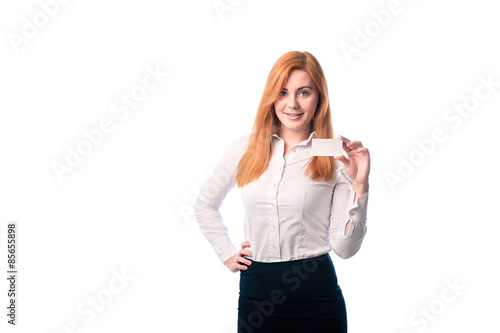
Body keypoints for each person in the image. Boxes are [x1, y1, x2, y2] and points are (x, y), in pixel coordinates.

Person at [194, 50, 370, 333]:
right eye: (283, 92)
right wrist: (226, 253)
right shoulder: (246, 148)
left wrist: (360, 187)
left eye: (304, 93)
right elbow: (204, 204)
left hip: (317, 295)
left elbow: (345, 249)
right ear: (271, 97)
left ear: (319, 99)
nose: (292, 104)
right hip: (257, 291)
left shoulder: (335, 156)